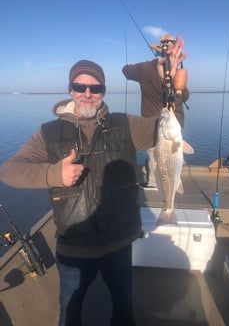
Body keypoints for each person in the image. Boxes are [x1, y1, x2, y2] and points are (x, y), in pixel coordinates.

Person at [0, 40, 186, 326]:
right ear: (70, 90)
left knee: (123, 308)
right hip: (74, 248)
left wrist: (176, 88)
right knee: (70, 312)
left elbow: (169, 128)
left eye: (95, 87)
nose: (88, 94)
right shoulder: (47, 134)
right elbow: (8, 171)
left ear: (103, 91)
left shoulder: (125, 124)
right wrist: (53, 174)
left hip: (119, 242)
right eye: (80, 87)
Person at [122, 34, 190, 189]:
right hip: (175, 121)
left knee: (154, 153)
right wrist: (177, 88)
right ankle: (173, 180)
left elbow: (126, 71)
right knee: (172, 152)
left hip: (152, 122)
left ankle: (153, 182)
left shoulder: (144, 68)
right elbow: (184, 96)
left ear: (157, 51)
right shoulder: (177, 73)